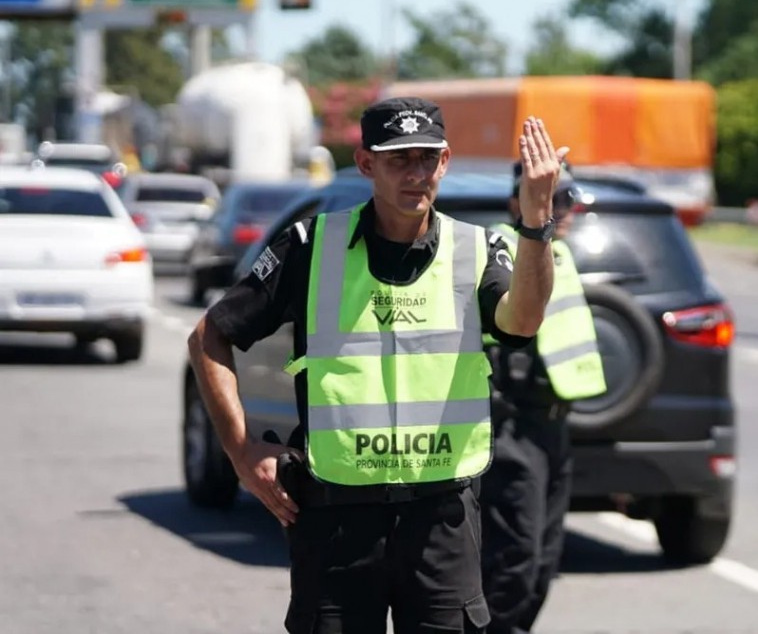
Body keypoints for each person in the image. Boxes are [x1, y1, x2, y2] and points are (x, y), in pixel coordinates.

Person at [186, 97, 568, 634]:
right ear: (366, 164)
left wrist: (536, 220)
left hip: (441, 519)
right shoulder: (311, 246)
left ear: (445, 161)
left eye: (427, 158)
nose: (416, 174)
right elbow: (210, 336)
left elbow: (523, 322)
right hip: (335, 520)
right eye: (398, 159)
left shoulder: (477, 248)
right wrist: (241, 450)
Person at [480, 160, 608, 633]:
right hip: (512, 423)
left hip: (554, 425)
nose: (567, 209)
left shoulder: (560, 254)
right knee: (514, 557)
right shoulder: (501, 248)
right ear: (519, 203)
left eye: (570, 198)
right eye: (556, 199)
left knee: (543, 563)